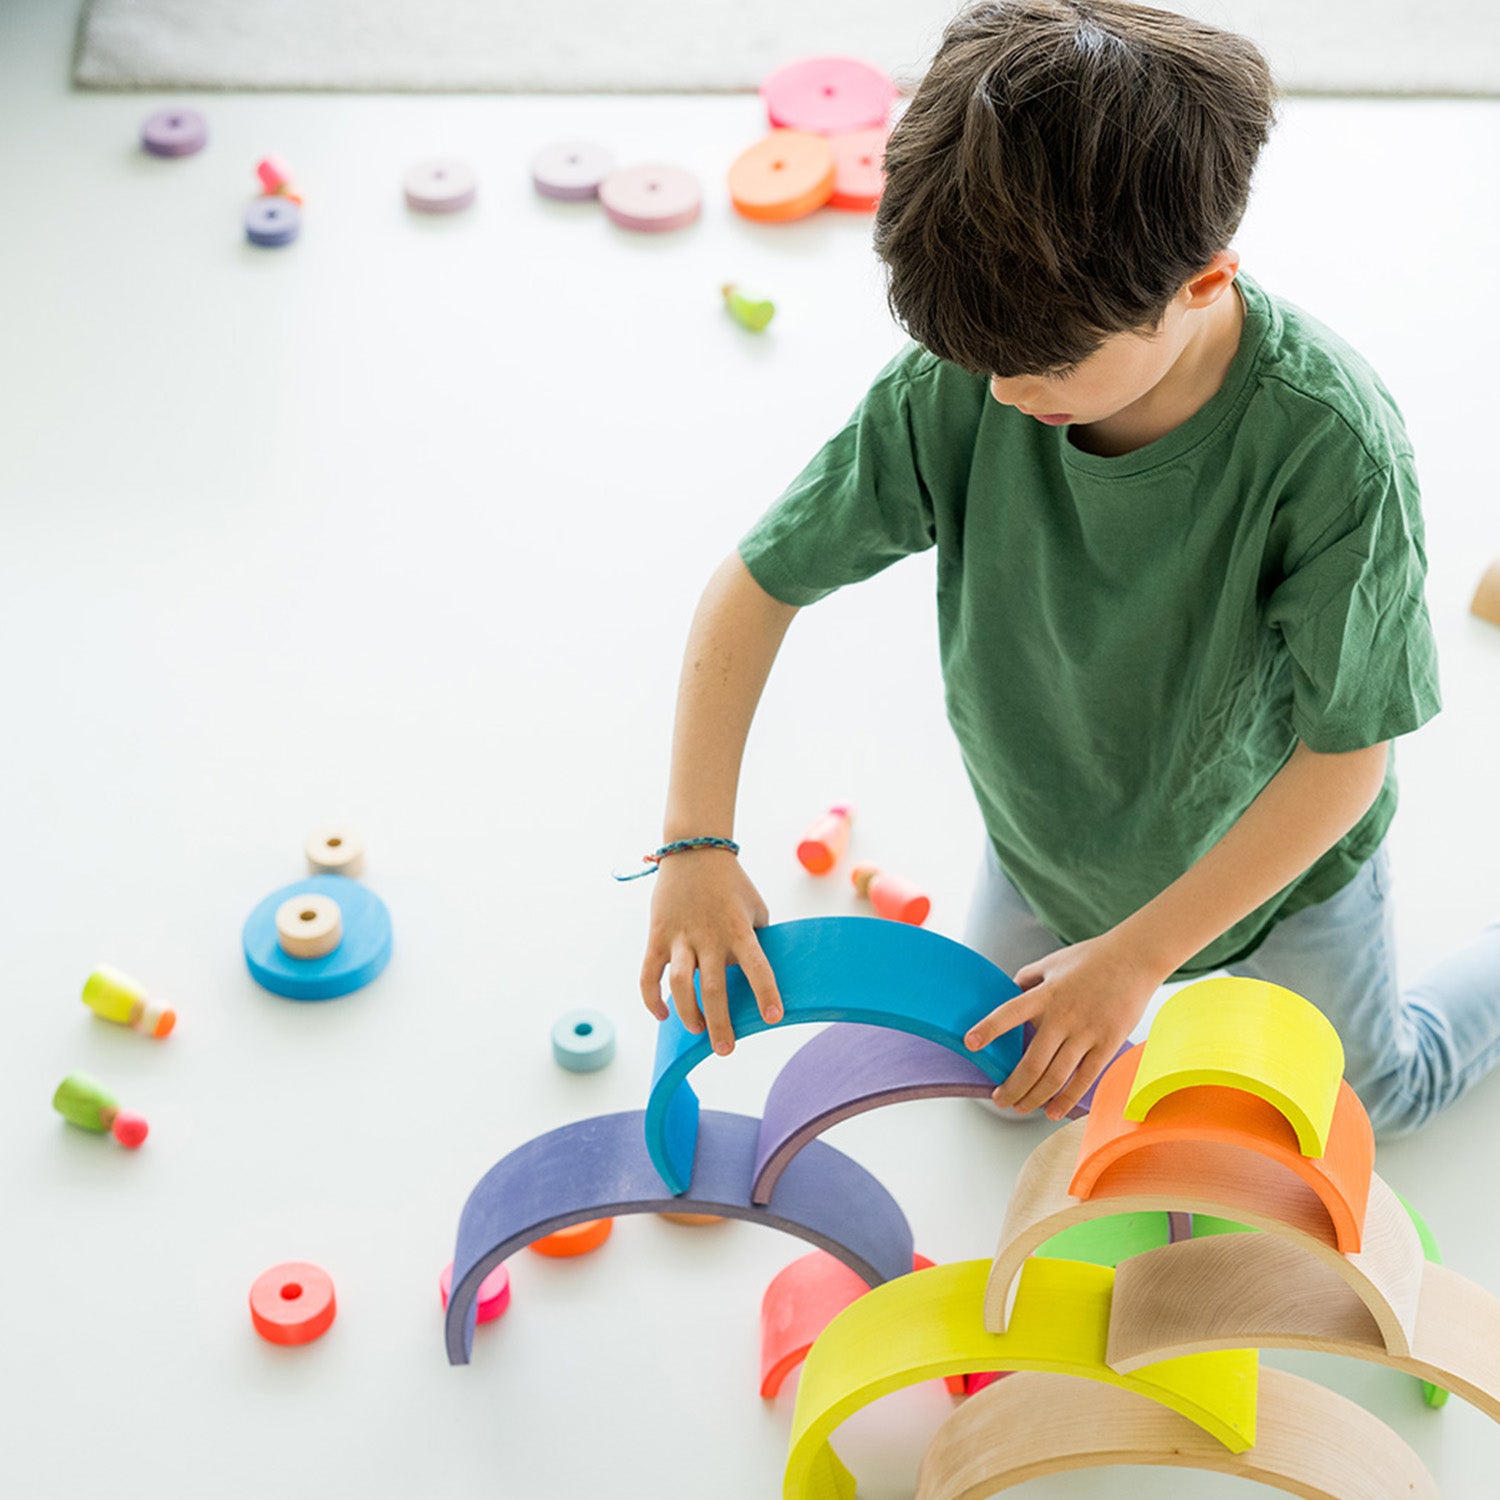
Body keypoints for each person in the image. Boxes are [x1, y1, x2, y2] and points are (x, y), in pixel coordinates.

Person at [637, 0, 1500, 1136]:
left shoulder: (1331, 447)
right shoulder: (963, 378)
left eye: (1041, 365)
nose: (1000, 396)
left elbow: (1345, 764)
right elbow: (757, 586)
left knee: (1367, 1106)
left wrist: (1141, 957)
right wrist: (695, 842)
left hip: (1278, 871)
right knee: (1003, 1093)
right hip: (1050, 843)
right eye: (975, 361)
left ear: (1202, 281)